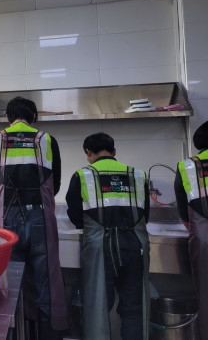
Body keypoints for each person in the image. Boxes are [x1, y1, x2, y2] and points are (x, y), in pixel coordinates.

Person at [0, 96, 67, 339]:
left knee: (8, 288)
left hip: (6, 222)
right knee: (47, 284)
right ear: (34, 117)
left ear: (8, 117)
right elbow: (55, 184)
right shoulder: (47, 139)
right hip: (40, 217)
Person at [66, 132, 150, 340]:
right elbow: (145, 214)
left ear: (88, 152)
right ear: (114, 151)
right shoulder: (138, 175)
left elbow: (75, 213)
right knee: (134, 309)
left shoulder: (82, 175)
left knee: (98, 308)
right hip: (134, 247)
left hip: (100, 248)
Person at [174, 120, 208, 339]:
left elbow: (182, 207)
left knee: (205, 294)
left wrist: (192, 225)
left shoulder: (188, 166)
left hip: (203, 238)